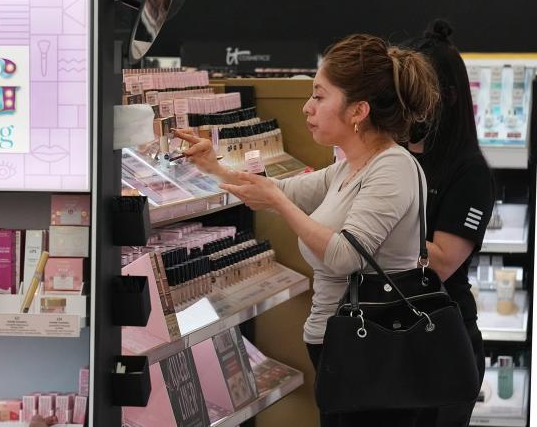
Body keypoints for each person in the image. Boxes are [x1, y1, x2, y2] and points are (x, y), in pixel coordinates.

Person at [175, 33, 440, 427]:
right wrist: (213, 167)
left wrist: (279, 205)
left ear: (358, 110)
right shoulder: (353, 165)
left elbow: (343, 255)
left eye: (319, 96)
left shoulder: (392, 167)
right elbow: (279, 190)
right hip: (341, 347)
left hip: (372, 351)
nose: (307, 107)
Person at [407, 20, 493, 427]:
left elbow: (441, 264)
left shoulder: (469, 172)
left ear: (448, 98)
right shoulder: (398, 156)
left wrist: (361, 242)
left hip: (444, 338)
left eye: (416, 93)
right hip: (397, 337)